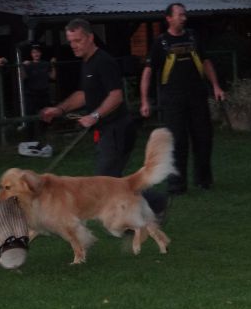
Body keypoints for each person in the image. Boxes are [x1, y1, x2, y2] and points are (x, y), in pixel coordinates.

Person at [40, 18, 168, 218]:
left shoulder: (104, 61)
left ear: (90, 37)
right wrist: (59, 110)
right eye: (71, 41)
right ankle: (153, 206)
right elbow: (84, 94)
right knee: (113, 182)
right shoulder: (87, 63)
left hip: (117, 129)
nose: (74, 45)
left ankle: (147, 209)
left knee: (105, 181)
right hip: (107, 131)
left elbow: (116, 96)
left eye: (78, 40)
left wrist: (94, 115)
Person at [139, 3, 225, 195]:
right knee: (177, 142)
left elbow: (206, 62)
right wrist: (145, 100)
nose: (183, 18)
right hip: (173, 101)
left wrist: (216, 86)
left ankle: (204, 180)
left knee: (203, 138)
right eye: (179, 15)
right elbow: (148, 72)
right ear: (169, 18)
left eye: (184, 15)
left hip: (197, 97)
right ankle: (176, 185)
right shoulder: (160, 42)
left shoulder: (193, 37)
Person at [18, 43, 56, 158]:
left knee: (45, 119)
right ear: (31, 54)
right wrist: (22, 66)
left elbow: (53, 77)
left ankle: (44, 144)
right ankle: (30, 146)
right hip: (31, 95)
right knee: (30, 119)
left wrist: (53, 65)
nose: (36, 54)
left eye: (38, 52)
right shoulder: (28, 65)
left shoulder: (45, 64)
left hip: (44, 95)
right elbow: (22, 77)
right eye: (34, 52)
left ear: (40, 53)